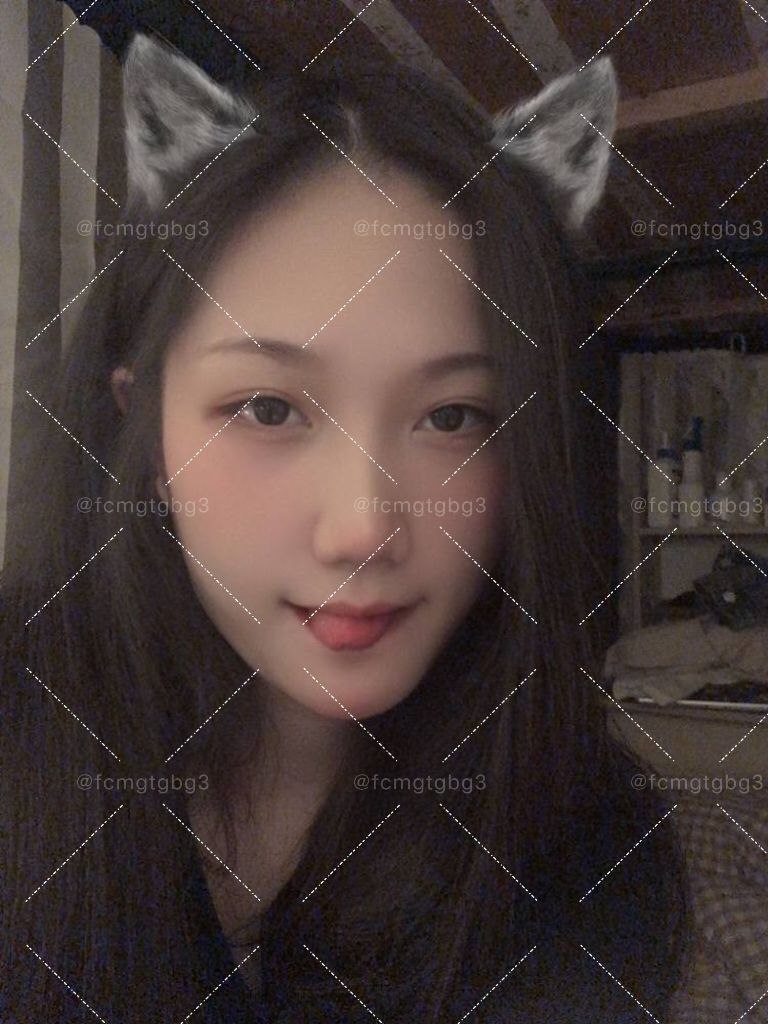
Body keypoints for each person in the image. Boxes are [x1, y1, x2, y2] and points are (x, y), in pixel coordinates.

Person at [1, 32, 691, 1023]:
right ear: (145, 435)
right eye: (268, 408)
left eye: (452, 417)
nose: (364, 527)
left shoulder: (591, 854)